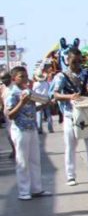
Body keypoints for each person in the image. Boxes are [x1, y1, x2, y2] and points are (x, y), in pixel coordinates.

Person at [51, 48, 88, 187]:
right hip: (70, 115)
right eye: (74, 62)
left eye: (80, 61)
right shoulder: (61, 76)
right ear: (67, 61)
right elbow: (55, 95)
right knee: (70, 146)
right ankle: (70, 176)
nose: (77, 64)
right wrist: (69, 96)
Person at [5, 66, 49, 200]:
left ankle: (37, 188)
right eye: (21, 76)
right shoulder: (12, 93)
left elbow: (31, 110)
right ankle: (23, 191)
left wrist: (43, 105)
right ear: (14, 78)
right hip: (20, 129)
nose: (25, 79)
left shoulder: (27, 91)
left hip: (32, 127)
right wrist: (22, 103)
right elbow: (10, 115)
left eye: (26, 76)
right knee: (22, 161)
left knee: (35, 160)